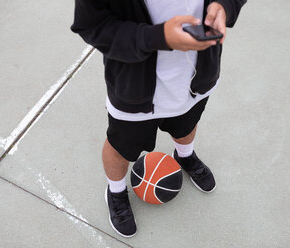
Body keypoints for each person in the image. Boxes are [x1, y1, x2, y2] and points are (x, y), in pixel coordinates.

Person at [71, 0, 246, 238]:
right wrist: (156, 37)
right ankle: (116, 191)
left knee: (186, 125)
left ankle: (185, 156)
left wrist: (225, 6)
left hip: (197, 75)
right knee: (121, 146)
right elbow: (92, 26)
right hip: (135, 87)